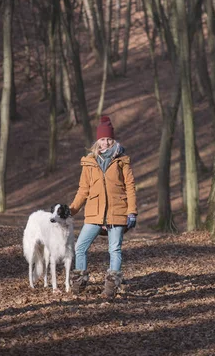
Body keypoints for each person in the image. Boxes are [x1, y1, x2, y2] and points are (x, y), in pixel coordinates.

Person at [69, 116, 138, 299]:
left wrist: (131, 211)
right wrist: (72, 209)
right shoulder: (89, 162)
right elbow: (83, 190)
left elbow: (130, 187)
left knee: (114, 249)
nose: (105, 142)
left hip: (117, 212)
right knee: (80, 247)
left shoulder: (122, 161)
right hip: (94, 212)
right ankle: (80, 280)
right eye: (102, 139)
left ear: (113, 140)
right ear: (97, 141)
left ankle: (111, 285)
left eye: (108, 139)